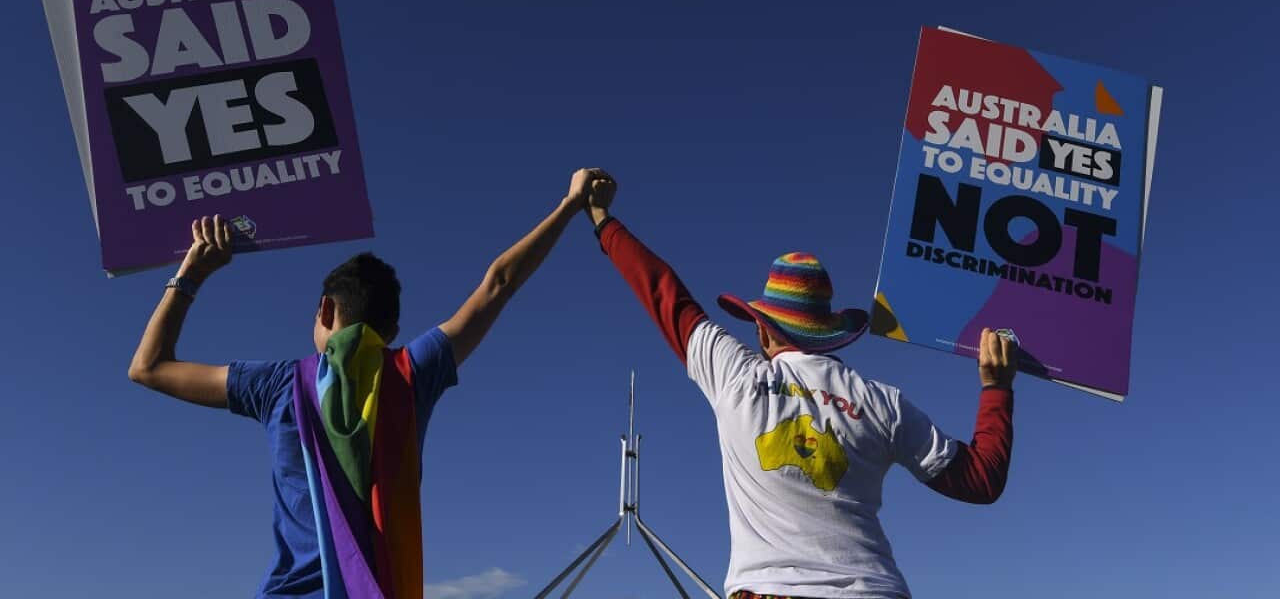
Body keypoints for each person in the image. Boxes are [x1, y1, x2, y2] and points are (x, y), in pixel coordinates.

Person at [127, 167, 611, 598]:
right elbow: (498, 283)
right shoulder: (412, 372)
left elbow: (148, 367)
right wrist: (570, 206)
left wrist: (191, 272)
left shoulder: (277, 386)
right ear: (392, 334)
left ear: (324, 310)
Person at [583, 177, 1016, 599]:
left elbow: (664, 293)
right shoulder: (884, 403)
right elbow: (979, 479)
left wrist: (602, 218)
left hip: (770, 591)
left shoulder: (736, 376)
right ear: (827, 331)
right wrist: (996, 385)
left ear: (763, 328)